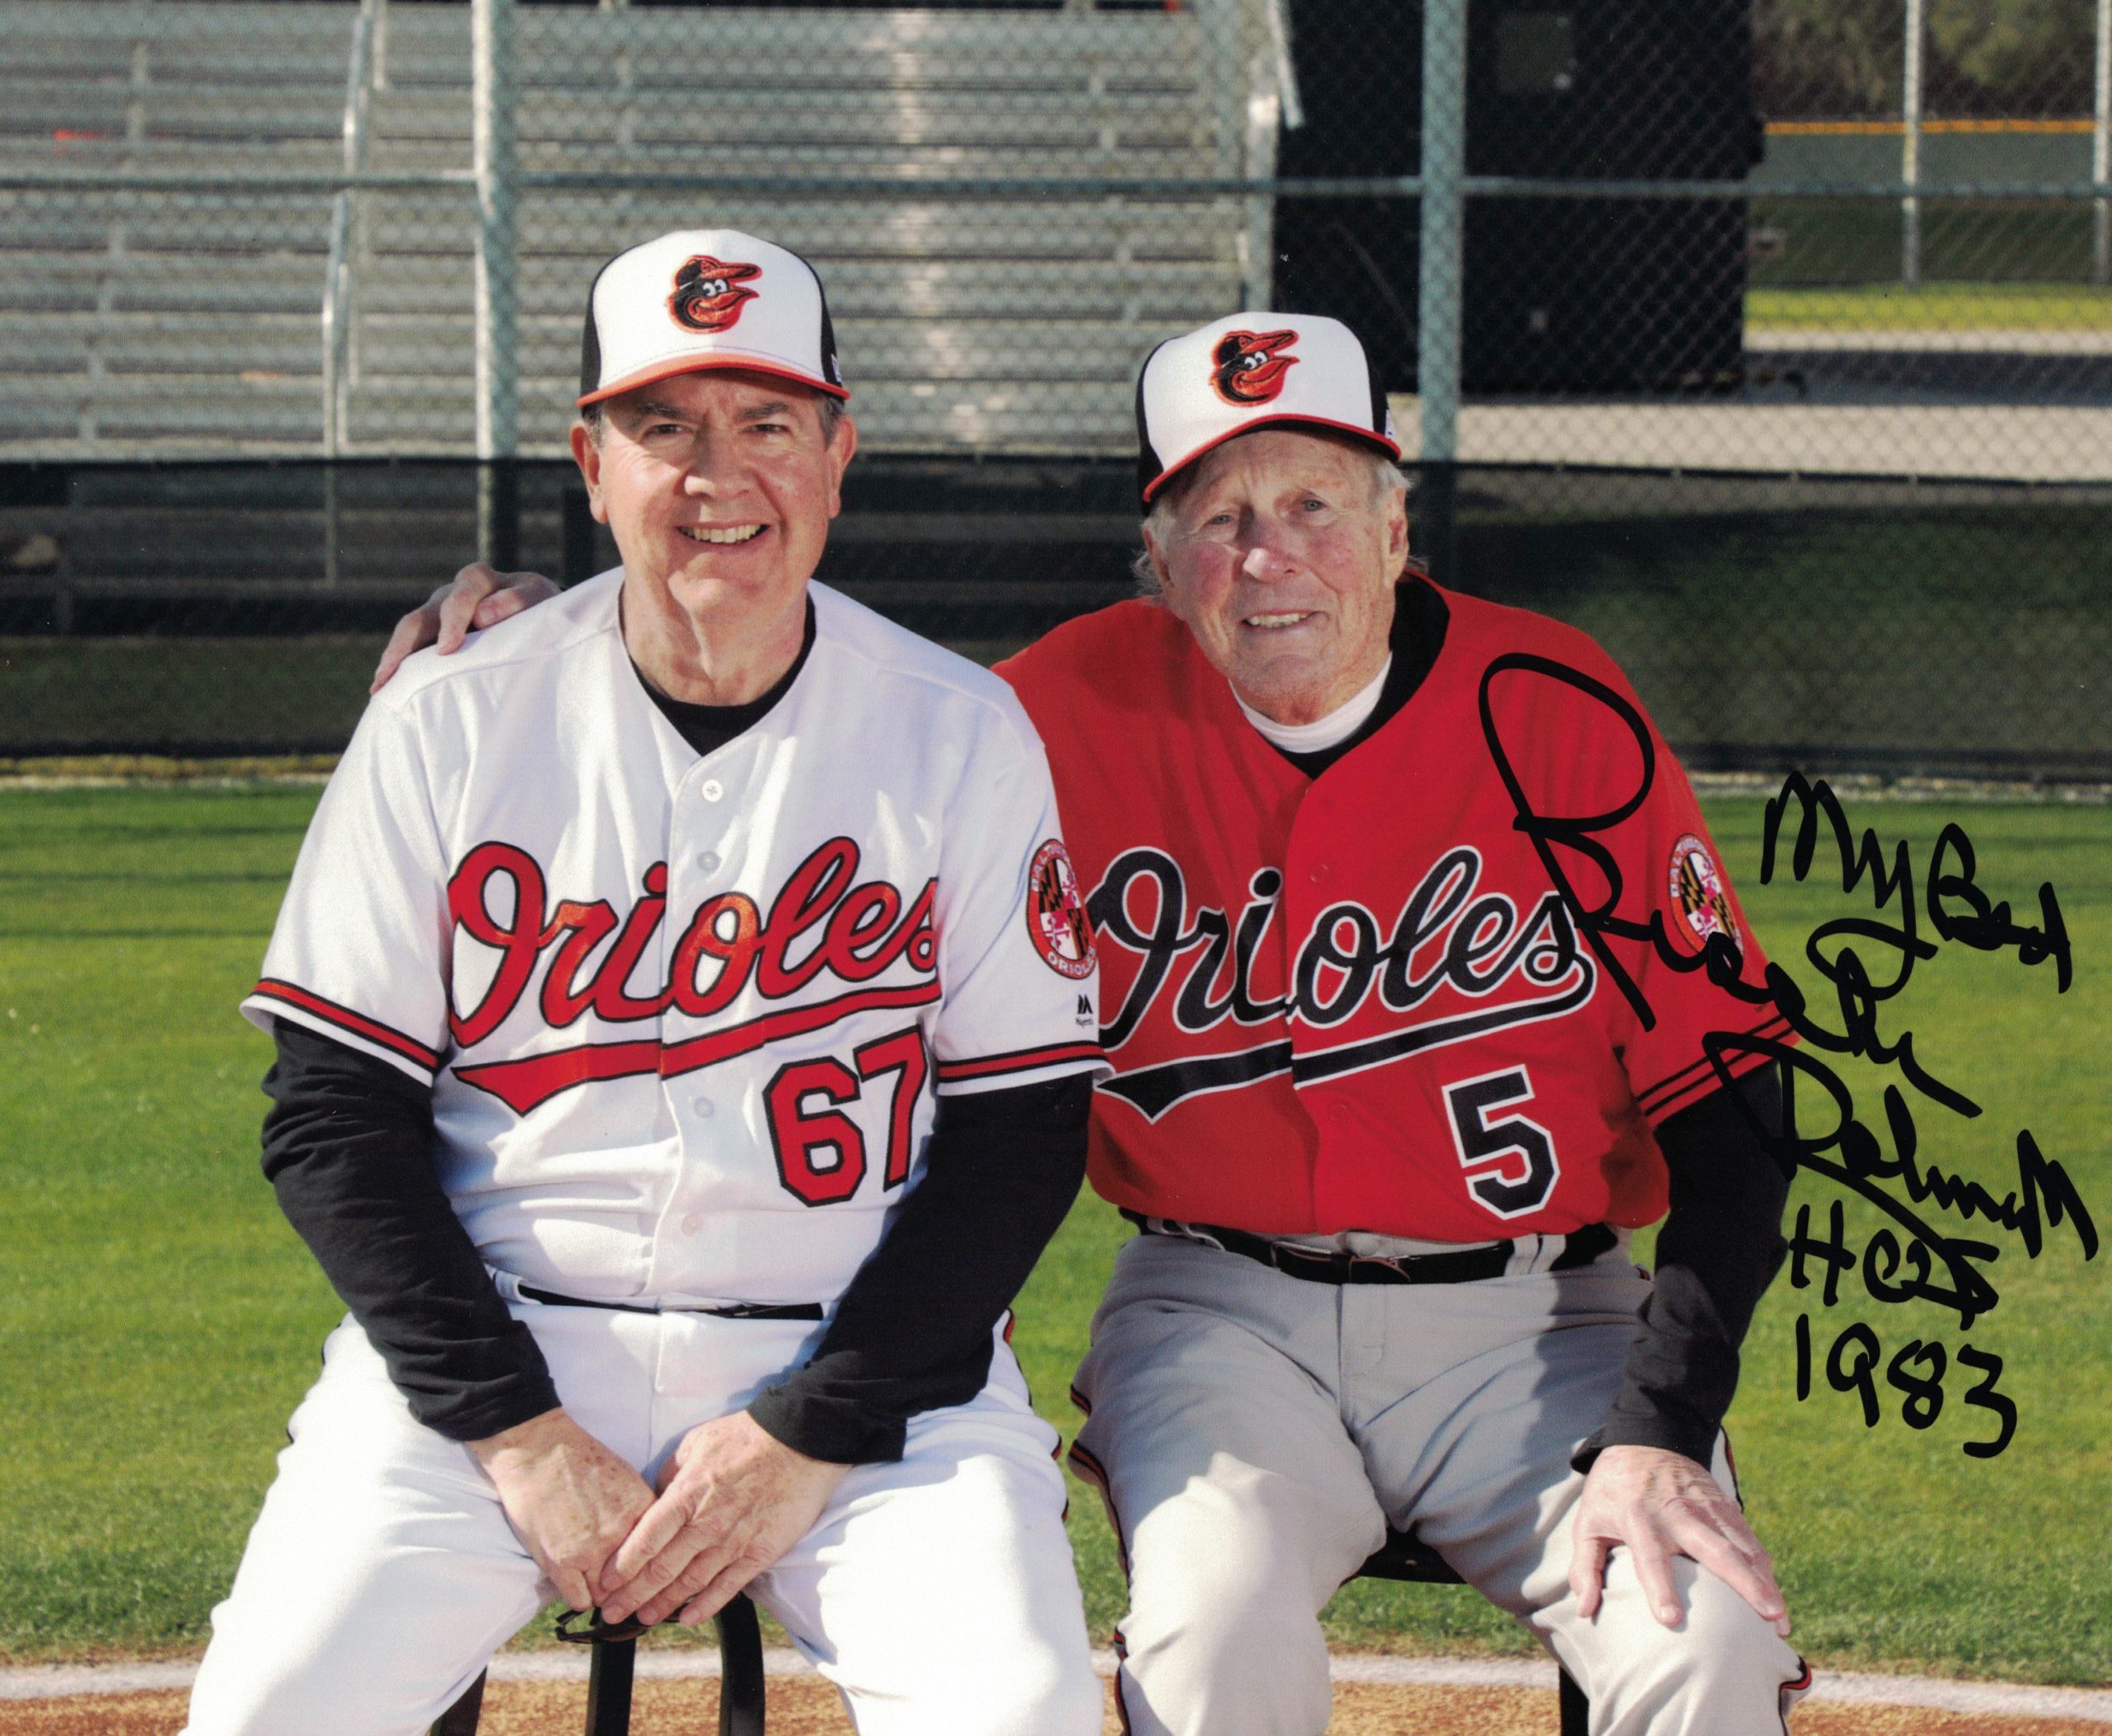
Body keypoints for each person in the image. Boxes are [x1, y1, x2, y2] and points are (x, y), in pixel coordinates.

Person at [391, 311, 1811, 1735]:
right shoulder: (1045, 713)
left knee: (1706, 1651)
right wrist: (567, 632)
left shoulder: (1551, 708)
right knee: (1205, 1647)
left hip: (1548, 1321)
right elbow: (797, 708)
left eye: (1314, 501)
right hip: (1218, 1317)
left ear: (1395, 528)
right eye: (1219, 515)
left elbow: (1737, 1096)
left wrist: (1662, 1426)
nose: (1268, 558)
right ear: (1159, 557)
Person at [189, 229, 1107, 1736]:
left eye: (765, 423)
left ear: (838, 452)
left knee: (1015, 1710)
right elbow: (331, 1121)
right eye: (662, 425)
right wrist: (516, 1431)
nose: (715, 473)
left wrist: (818, 1424)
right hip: (490, 1355)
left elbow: (1020, 1138)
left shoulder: (961, 730)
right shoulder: (448, 719)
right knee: (273, 1712)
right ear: (590, 459)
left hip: (867, 1366)